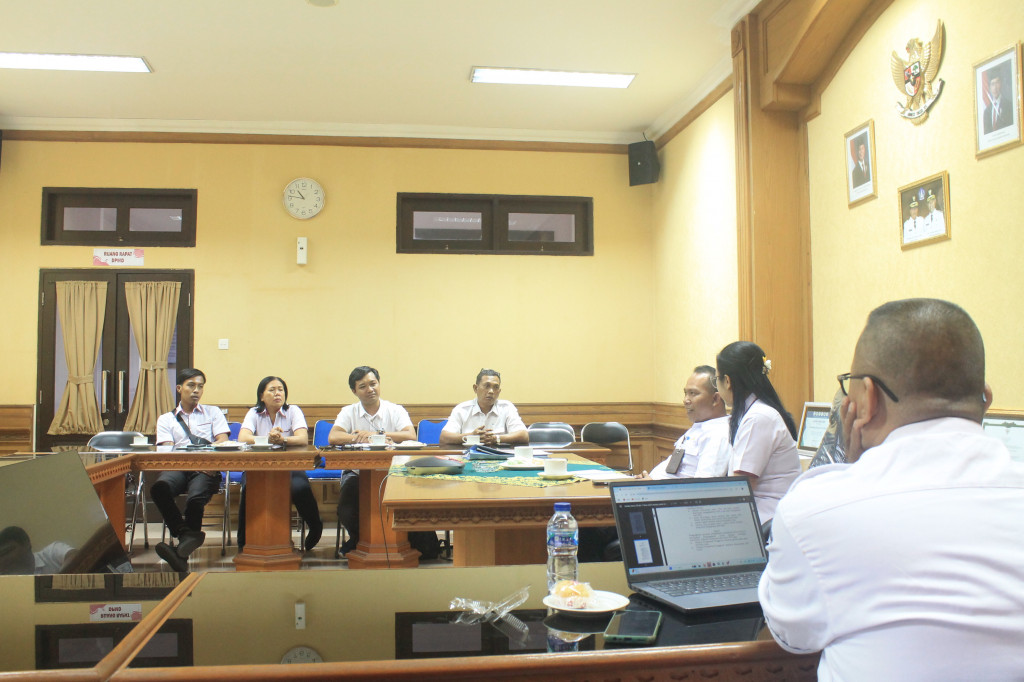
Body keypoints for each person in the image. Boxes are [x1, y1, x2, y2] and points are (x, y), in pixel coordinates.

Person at [758, 298, 1024, 679]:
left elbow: (792, 635)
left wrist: (849, 470)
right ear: (985, 399)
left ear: (867, 400)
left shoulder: (817, 510)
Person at [328, 366, 416, 555]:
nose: (370, 389)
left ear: (379, 384)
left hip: (394, 472)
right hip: (357, 472)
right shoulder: (348, 412)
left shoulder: (395, 410)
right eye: (363, 386)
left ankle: (401, 543)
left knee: (410, 506)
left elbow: (411, 435)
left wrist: (377, 434)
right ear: (354, 391)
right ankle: (361, 540)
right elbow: (333, 437)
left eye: (373, 384)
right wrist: (358, 438)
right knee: (346, 510)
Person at [152, 368, 230, 572]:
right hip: (179, 467)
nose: (196, 390)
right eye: (191, 385)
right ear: (179, 388)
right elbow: (167, 450)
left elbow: (223, 441)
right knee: (159, 488)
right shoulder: (166, 419)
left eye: (200, 386)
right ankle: (185, 534)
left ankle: (180, 555)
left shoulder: (213, 413)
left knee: (195, 498)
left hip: (207, 469)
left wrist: (208, 464)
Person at [235, 376, 323, 553]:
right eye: (272, 390)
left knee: (299, 487)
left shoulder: (293, 411)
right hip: (257, 467)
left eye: (280, 389)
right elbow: (243, 438)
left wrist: (282, 439)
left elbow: (302, 439)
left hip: (290, 466)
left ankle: (315, 526)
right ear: (262, 395)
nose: (277, 393)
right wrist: (267, 438)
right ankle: (243, 540)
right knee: (249, 490)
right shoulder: (254, 413)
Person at [715, 342, 800, 523]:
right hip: (760, 514)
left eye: (716, 379)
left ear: (727, 381)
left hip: (766, 519)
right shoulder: (755, 413)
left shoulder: (758, 418)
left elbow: (740, 488)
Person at [645, 366, 731, 479]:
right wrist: (649, 479)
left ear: (715, 399)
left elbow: (704, 486)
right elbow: (673, 466)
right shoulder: (700, 425)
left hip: (669, 495)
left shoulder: (719, 434)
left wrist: (652, 485)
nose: (685, 400)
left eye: (693, 393)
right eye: (685, 393)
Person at [439, 369, 528, 446]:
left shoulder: (507, 408)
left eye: (495, 387)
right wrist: (470, 437)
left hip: (499, 457)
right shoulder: (462, 409)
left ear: (499, 391)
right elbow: (444, 437)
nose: (491, 391)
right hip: (467, 456)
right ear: (475, 388)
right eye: (487, 386)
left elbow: (524, 435)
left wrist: (495, 438)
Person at [0, 526, 76, 575]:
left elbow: (74, 556)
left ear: (26, 544)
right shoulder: (5, 581)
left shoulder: (51, 553)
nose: (3, 559)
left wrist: (56, 582)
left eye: (7, 552)